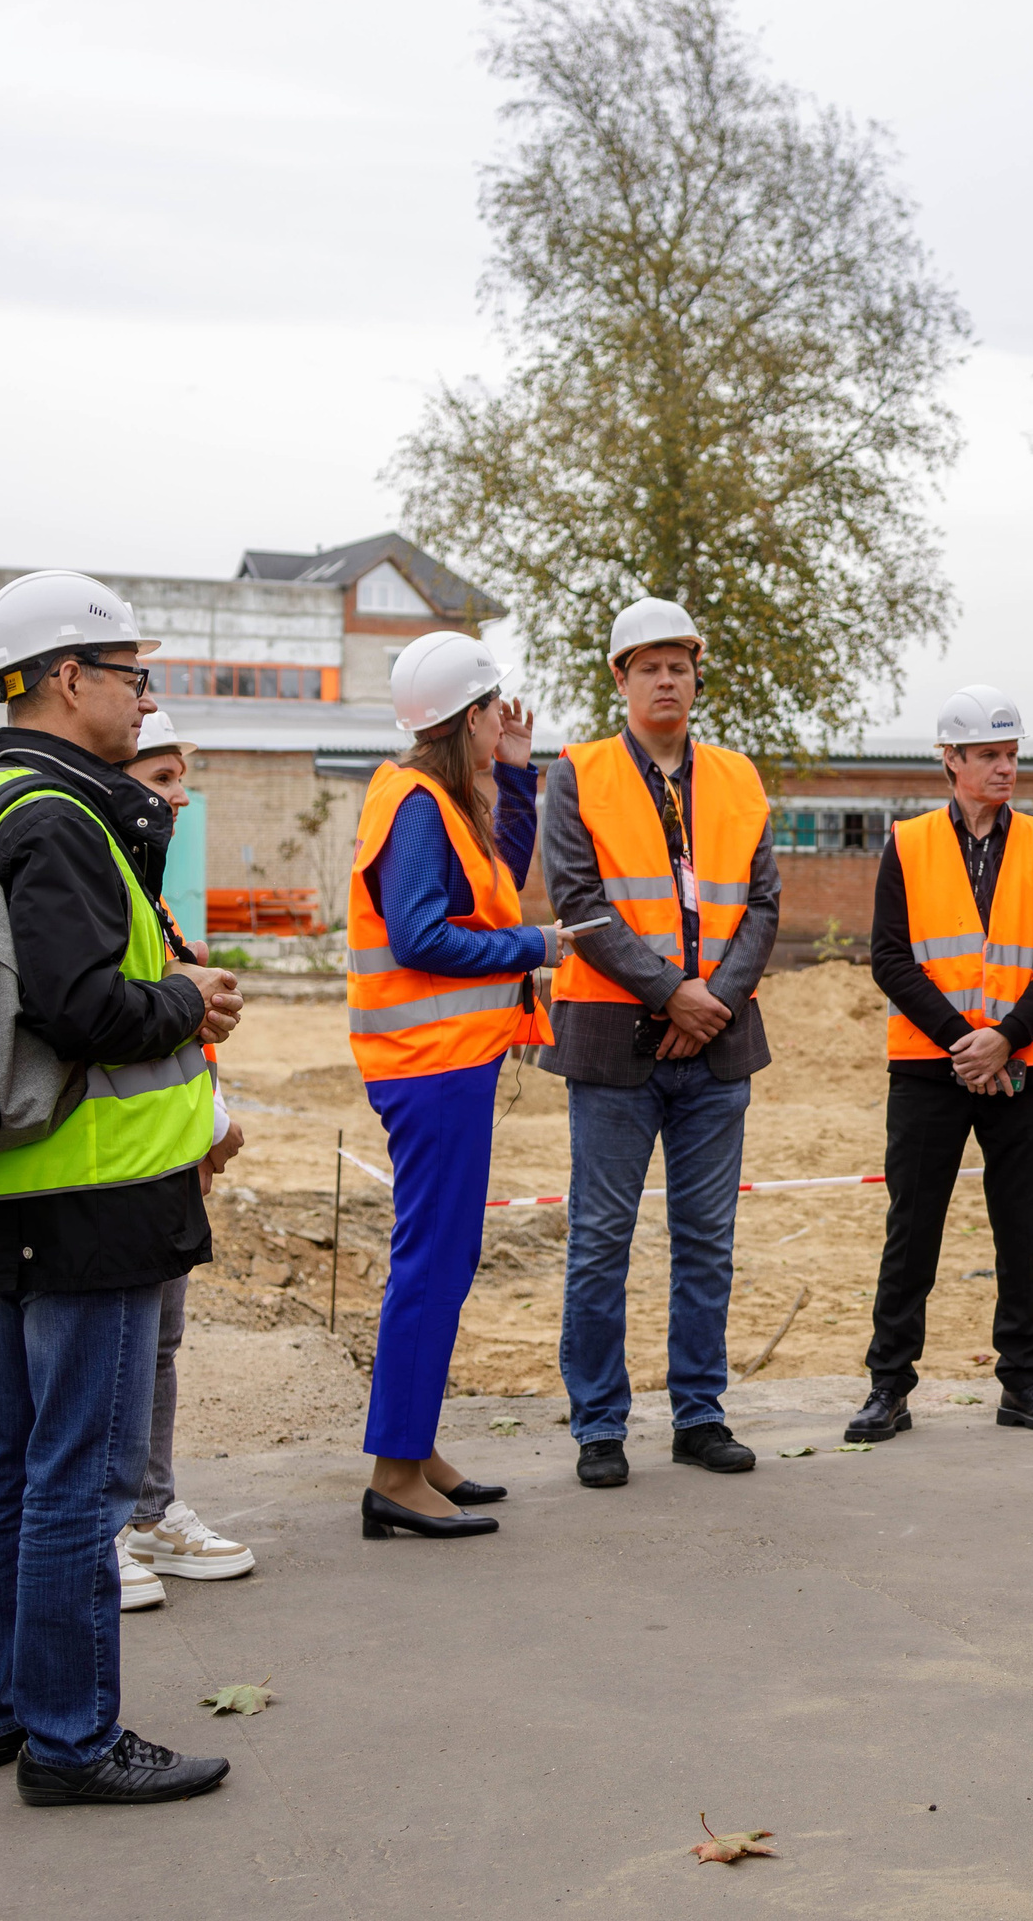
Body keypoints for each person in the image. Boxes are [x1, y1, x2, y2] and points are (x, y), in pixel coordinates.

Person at [0, 570, 238, 1805]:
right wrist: (189, 999)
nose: (144, 696)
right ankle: (71, 1739)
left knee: (5, 1459)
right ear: (69, 678)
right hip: (95, 1196)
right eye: (132, 674)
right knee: (80, 1475)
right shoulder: (62, 817)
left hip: (12, 1185)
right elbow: (80, 1007)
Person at [540, 598, 780, 1489]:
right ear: (621, 678)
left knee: (707, 1240)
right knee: (602, 1239)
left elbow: (763, 902)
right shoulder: (579, 774)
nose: (666, 679)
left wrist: (711, 1001)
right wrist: (672, 992)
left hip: (717, 1044)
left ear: (697, 674)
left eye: (679, 664)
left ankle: (700, 1415)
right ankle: (600, 1424)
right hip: (614, 1048)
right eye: (649, 666)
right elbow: (579, 903)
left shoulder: (739, 778)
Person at [344, 629, 557, 1541]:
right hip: (430, 1067)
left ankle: (415, 1448)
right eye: (493, 712)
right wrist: (537, 946)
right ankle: (396, 1472)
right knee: (432, 1261)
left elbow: (495, 883)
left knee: (444, 1256)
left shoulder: (436, 803)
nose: (501, 720)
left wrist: (515, 774)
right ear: (467, 717)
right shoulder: (418, 808)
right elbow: (423, 934)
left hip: (446, 1063)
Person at [849, 685, 1033, 1443]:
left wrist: (1006, 1038)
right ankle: (888, 1385)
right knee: (911, 1230)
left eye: (1011, 754)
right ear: (950, 759)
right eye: (989, 755)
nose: (1005, 768)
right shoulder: (907, 843)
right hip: (930, 1069)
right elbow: (890, 957)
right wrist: (965, 1039)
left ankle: (1024, 1381)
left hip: (1023, 1070)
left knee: (1022, 1230)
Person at [113, 710, 255, 1603]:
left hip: (167, 1149)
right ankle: (102, 1528)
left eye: (181, 780)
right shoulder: (102, 878)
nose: (180, 798)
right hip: (120, 1158)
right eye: (163, 779)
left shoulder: (152, 893)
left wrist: (212, 1116)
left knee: (158, 1344)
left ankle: (146, 1510)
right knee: (118, 1351)